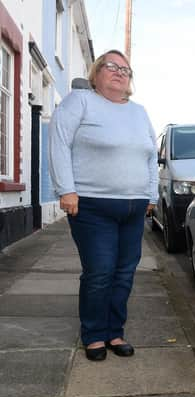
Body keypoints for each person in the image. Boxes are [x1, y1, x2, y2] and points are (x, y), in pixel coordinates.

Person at [48, 49, 158, 361]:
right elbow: (59, 143)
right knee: (99, 271)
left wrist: (151, 196)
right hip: (93, 205)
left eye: (126, 70)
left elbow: (151, 156)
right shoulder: (80, 101)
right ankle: (94, 334)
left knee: (124, 272)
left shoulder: (139, 112)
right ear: (96, 73)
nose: (119, 72)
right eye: (111, 66)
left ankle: (114, 331)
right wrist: (66, 189)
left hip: (134, 207)